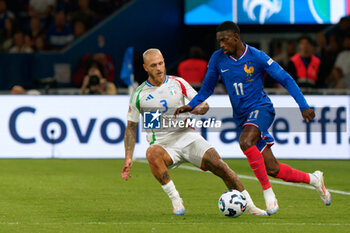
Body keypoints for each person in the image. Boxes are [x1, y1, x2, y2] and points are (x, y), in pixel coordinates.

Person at [174, 21, 331, 215]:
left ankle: (268, 193)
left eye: (224, 40)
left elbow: (286, 78)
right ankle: (314, 179)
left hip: (261, 108)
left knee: (245, 141)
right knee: (273, 169)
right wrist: (191, 104)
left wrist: (303, 105)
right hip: (242, 118)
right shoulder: (217, 59)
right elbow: (207, 88)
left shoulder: (256, 56)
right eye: (219, 41)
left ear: (236, 37)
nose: (221, 45)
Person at [121, 48, 267, 216]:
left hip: (188, 137)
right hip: (163, 145)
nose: (159, 68)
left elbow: (203, 103)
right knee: (151, 153)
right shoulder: (139, 94)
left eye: (161, 63)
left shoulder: (178, 83)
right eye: (153, 65)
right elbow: (131, 127)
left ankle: (250, 206)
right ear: (145, 67)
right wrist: (128, 157)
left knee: (222, 167)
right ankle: (176, 200)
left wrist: (199, 108)